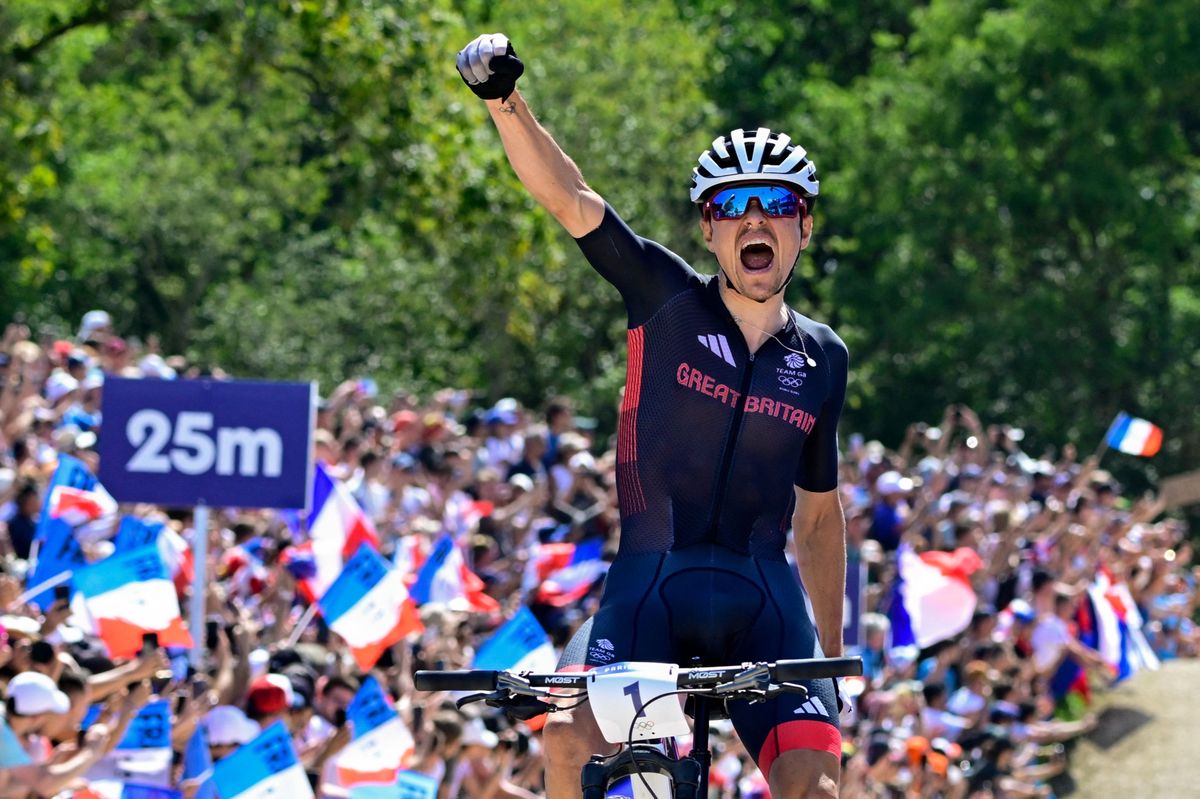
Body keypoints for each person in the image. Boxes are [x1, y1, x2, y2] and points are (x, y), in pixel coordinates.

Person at [456, 32, 849, 799]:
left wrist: (834, 665)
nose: (754, 220)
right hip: (650, 589)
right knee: (567, 741)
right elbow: (569, 197)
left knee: (819, 788)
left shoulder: (823, 357)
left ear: (803, 226)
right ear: (709, 228)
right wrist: (503, 101)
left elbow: (821, 520)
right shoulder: (665, 299)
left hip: (764, 599)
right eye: (732, 206)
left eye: (777, 205)